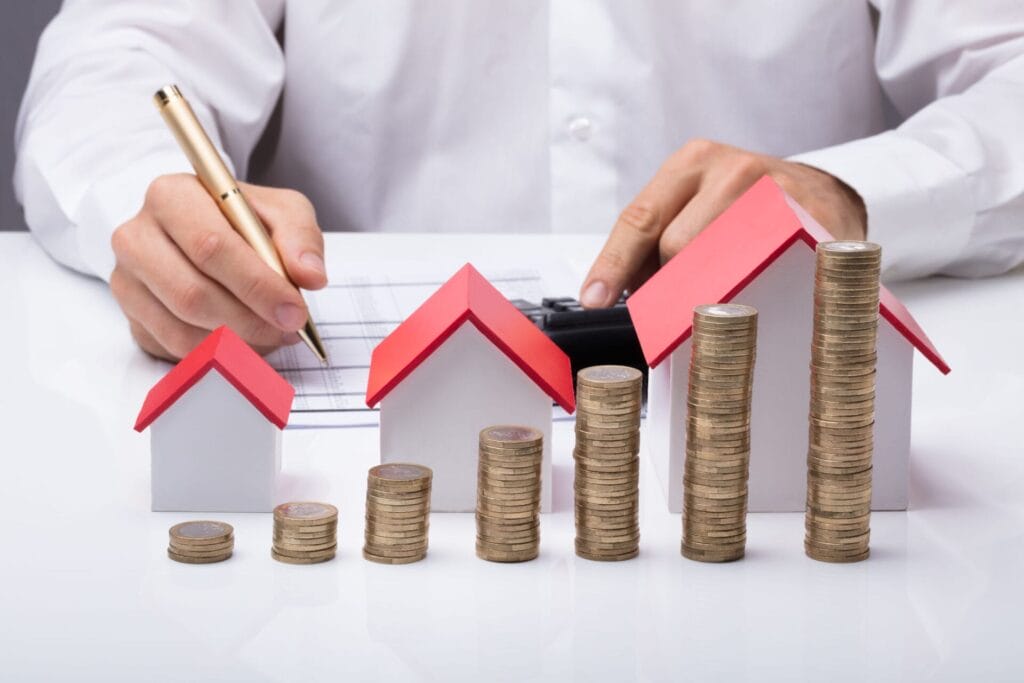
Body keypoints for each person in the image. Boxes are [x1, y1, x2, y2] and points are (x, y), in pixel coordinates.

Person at [14, 1, 1024, 361]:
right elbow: (116, 56)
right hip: (345, 466)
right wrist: (150, 202)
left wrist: (845, 195)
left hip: (781, 430)